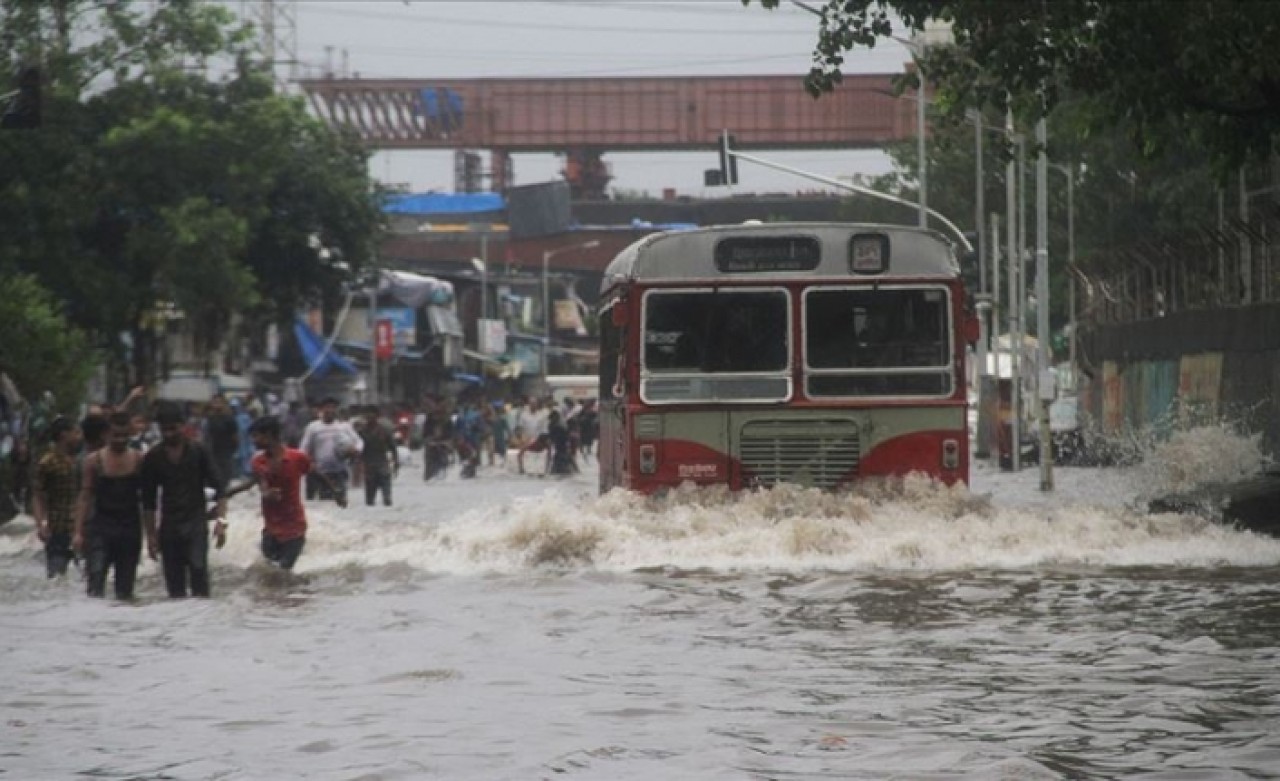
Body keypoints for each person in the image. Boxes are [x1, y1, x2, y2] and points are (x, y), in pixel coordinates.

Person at [141, 402, 226, 598]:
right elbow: (148, 501)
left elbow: (220, 489)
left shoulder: (199, 452)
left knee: (199, 572)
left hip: (196, 522)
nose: (169, 434)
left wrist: (221, 522)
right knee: (174, 584)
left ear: (183, 425)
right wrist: (151, 536)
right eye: (164, 430)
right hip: (169, 526)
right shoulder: (153, 458)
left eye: (173, 428)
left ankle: (200, 621)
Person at [73, 413, 147, 599]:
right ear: (105, 435)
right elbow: (85, 496)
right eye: (115, 435)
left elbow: (149, 498)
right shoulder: (93, 461)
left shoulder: (139, 460)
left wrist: (152, 533)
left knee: (125, 589)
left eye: (124, 436)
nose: (120, 440)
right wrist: (78, 532)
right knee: (95, 582)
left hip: (130, 528)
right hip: (101, 527)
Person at [228, 417, 315, 571]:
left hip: (295, 528)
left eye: (256, 436)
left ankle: (294, 594)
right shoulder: (258, 461)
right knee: (269, 571)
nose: (253, 441)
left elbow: (315, 473)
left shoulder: (297, 457)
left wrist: (336, 493)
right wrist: (226, 494)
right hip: (271, 529)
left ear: (269, 435)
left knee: (283, 570)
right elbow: (257, 482)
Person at [32, 417, 81, 578]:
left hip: (81, 528)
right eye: (75, 432)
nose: (78, 436)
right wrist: (41, 524)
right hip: (57, 528)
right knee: (56, 577)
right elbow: (38, 496)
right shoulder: (47, 463)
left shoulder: (81, 461)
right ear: (63, 435)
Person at [299, 397, 360, 506]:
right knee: (325, 503)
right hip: (321, 473)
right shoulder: (313, 427)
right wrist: (309, 463)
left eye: (333, 407)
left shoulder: (343, 426)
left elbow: (359, 442)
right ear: (321, 410)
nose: (330, 410)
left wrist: (355, 450)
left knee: (341, 502)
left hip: (340, 471)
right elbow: (303, 448)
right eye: (327, 407)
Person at [359, 408, 399, 506]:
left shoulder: (384, 430)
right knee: (369, 500)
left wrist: (396, 462)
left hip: (382, 463)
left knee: (387, 499)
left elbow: (392, 447)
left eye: (372, 415)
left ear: (377, 417)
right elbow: (358, 449)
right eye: (368, 416)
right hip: (369, 465)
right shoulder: (361, 432)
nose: (370, 418)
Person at [202, 395, 239, 493]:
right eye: (214, 402)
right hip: (213, 451)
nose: (216, 404)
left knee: (224, 477)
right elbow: (207, 435)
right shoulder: (210, 418)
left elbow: (235, 436)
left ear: (224, 404)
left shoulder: (229, 419)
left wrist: (233, 449)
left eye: (219, 402)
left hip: (226, 451)